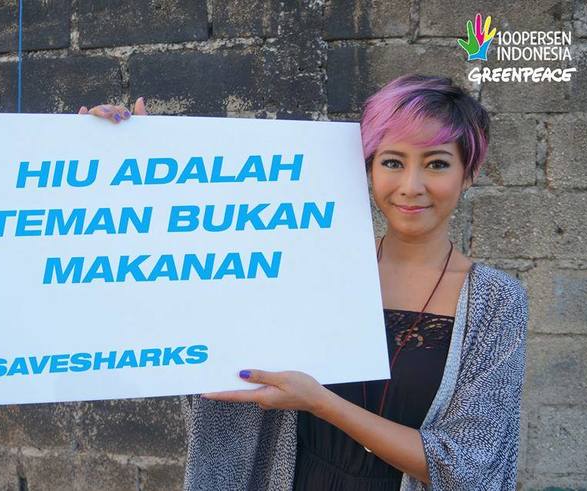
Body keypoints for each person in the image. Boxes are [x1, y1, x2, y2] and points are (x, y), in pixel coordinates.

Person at [79, 74, 529, 490]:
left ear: (469, 173)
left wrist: (321, 402)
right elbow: (196, 311)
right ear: (369, 169)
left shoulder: (496, 302)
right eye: (392, 161)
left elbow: (470, 464)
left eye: (436, 164)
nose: (411, 185)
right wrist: (122, 166)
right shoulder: (306, 261)